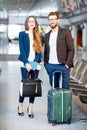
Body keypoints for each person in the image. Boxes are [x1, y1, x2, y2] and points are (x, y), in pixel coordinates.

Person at [18, 16, 42, 118]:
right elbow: (22, 50)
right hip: (25, 64)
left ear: (35, 23)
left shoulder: (38, 35)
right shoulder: (22, 34)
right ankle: (20, 105)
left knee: (34, 86)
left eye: (33, 21)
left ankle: (30, 107)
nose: (31, 23)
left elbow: (39, 52)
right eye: (29, 21)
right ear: (27, 23)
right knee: (24, 85)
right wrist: (27, 63)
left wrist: (34, 64)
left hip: (35, 65)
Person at [44, 12, 75, 89]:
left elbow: (71, 49)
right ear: (48, 21)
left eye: (54, 19)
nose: (52, 21)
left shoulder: (65, 32)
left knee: (65, 89)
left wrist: (67, 64)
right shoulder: (47, 35)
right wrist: (46, 64)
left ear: (58, 20)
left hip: (63, 65)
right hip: (50, 65)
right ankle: (56, 101)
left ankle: (64, 101)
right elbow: (46, 51)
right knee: (54, 89)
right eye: (50, 19)